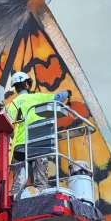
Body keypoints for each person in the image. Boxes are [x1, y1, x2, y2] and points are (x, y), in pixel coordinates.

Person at [6, 71, 70, 199]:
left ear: (16, 87)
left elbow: (7, 127)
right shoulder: (35, 97)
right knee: (41, 182)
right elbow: (57, 98)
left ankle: (13, 203)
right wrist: (68, 93)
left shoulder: (10, 105)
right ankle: (41, 200)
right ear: (26, 84)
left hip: (18, 148)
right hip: (37, 145)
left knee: (19, 182)